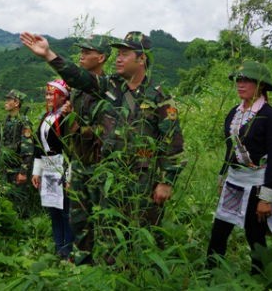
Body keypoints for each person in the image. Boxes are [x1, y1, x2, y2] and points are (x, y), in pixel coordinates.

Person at [20, 31, 184, 261]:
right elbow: (79, 78)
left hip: (143, 179)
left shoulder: (158, 96)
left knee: (145, 234)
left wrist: (166, 182)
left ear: (141, 59)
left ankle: (146, 277)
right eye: (117, 53)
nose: (118, 58)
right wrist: (48, 55)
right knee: (110, 234)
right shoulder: (111, 86)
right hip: (112, 176)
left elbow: (173, 142)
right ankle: (109, 274)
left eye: (125, 54)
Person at [206, 60, 272, 274]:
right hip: (234, 181)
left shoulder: (271, 117)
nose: (240, 85)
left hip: (257, 184)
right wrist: (222, 177)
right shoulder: (234, 113)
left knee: (255, 234)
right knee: (219, 229)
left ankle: (258, 278)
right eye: (238, 80)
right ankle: (209, 274)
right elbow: (229, 149)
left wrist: (266, 197)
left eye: (247, 81)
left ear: (261, 85)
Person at [64, 35, 112, 265]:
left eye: (87, 51)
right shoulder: (77, 90)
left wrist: (81, 129)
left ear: (101, 57)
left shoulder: (109, 89)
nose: (81, 55)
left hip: (101, 163)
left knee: (103, 216)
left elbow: (114, 127)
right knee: (78, 215)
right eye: (81, 51)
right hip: (80, 161)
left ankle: (104, 263)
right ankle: (81, 258)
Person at [31, 79, 75, 260]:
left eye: (52, 94)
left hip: (61, 164)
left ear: (63, 97)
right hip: (48, 165)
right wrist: (36, 171)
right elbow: (37, 146)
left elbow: (72, 149)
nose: (48, 97)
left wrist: (70, 175)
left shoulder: (65, 118)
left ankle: (68, 250)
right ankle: (59, 246)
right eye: (47, 94)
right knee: (53, 208)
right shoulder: (46, 116)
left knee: (65, 209)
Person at [1, 89, 36, 218]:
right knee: (8, 200)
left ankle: (24, 231)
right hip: (8, 168)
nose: (5, 102)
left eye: (8, 100)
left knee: (20, 203)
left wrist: (23, 171)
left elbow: (27, 150)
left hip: (18, 169)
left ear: (16, 103)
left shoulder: (24, 122)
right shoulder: (8, 120)